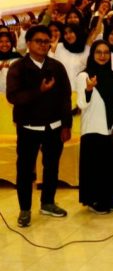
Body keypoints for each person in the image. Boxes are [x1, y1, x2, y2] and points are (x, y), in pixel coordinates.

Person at [6, 25, 72, 227]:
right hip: (29, 128)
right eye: (38, 41)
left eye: (46, 41)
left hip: (54, 126)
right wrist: (39, 91)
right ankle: (25, 209)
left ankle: (48, 203)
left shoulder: (56, 67)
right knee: (25, 170)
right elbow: (13, 96)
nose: (43, 45)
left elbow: (65, 97)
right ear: (28, 43)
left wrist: (66, 125)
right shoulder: (18, 67)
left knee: (51, 167)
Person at [77, 40, 113, 214]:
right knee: (94, 168)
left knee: (108, 167)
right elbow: (81, 104)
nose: (103, 56)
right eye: (98, 52)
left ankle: (107, 198)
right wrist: (89, 90)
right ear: (92, 54)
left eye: (106, 52)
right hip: (92, 129)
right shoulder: (84, 76)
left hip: (109, 129)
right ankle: (94, 201)